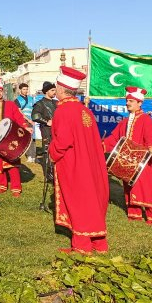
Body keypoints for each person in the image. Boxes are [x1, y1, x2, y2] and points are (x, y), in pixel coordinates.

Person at [50, 66, 109, 254]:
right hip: (90, 163)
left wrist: (52, 153)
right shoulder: (85, 110)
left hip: (74, 163)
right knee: (92, 200)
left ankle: (82, 245)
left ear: (61, 89)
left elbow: (63, 141)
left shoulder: (63, 110)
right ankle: (99, 243)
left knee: (79, 201)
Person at [103, 86, 152, 224]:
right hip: (126, 161)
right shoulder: (124, 122)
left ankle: (151, 216)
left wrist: (151, 147)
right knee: (129, 186)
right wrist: (100, 145)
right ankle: (134, 214)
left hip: (143, 161)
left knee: (145, 187)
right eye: (127, 101)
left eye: (131, 101)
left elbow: (150, 137)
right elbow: (113, 139)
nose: (127, 103)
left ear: (140, 103)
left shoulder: (146, 120)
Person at [31, 81, 57, 157]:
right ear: (46, 91)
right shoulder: (40, 103)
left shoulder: (57, 102)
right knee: (47, 150)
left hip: (57, 129)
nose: (54, 92)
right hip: (46, 130)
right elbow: (35, 116)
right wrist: (46, 122)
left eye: (55, 90)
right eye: (52, 90)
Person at [14, 83, 37, 163]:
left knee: (33, 139)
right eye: (24, 89)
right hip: (23, 122)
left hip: (32, 121)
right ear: (20, 90)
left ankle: (33, 155)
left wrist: (34, 119)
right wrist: (28, 120)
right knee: (26, 139)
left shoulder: (31, 98)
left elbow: (34, 109)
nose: (26, 91)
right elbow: (19, 112)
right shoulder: (17, 100)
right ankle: (29, 155)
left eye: (27, 89)